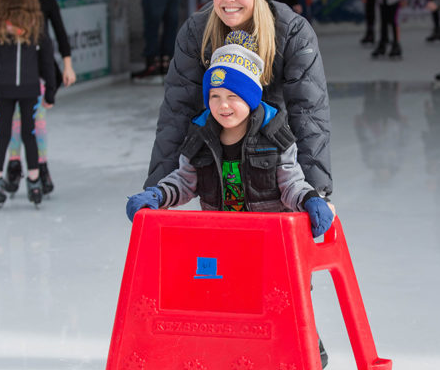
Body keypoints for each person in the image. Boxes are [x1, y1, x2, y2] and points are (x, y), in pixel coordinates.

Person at [144, 0, 332, 198]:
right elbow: (177, 110)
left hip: (275, 164)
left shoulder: (292, 33)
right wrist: (157, 190)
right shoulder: (196, 32)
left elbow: (309, 112)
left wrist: (315, 195)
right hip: (219, 164)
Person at [126, 30, 335, 234]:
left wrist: (310, 199)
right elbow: (184, 180)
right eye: (214, 96)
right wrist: (158, 194)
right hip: (219, 236)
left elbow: (291, 183)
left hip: (268, 238)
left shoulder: (274, 134)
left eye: (233, 96)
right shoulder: (200, 135)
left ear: (251, 98)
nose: (223, 106)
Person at [0, 0, 57, 209]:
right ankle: (34, 180)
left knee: (3, 134)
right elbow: (47, 61)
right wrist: (50, 91)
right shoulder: (36, 22)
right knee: (28, 133)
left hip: (3, 88)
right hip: (30, 88)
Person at [4, 0, 76, 195]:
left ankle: (41, 167)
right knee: (12, 122)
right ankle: (13, 164)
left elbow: (60, 34)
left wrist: (67, 65)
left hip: (38, 73)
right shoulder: (6, 1)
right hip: (9, 73)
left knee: (37, 122)